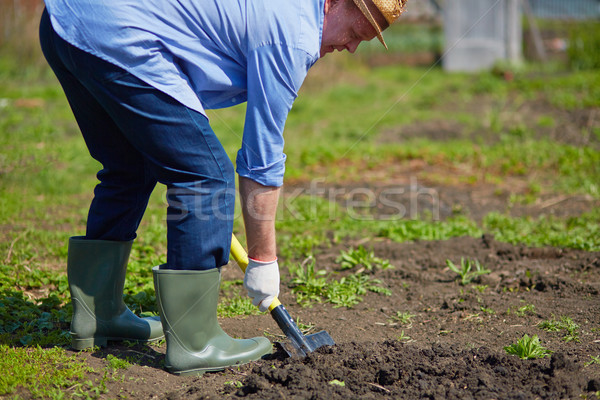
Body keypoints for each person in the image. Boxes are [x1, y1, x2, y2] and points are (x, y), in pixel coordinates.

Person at [39, 0, 407, 376]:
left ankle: (98, 314)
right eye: (357, 32)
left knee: (127, 165)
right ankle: (194, 343)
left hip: (68, 21)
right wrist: (263, 259)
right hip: (116, 36)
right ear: (333, 2)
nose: (351, 47)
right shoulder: (293, 36)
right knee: (204, 177)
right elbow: (260, 159)